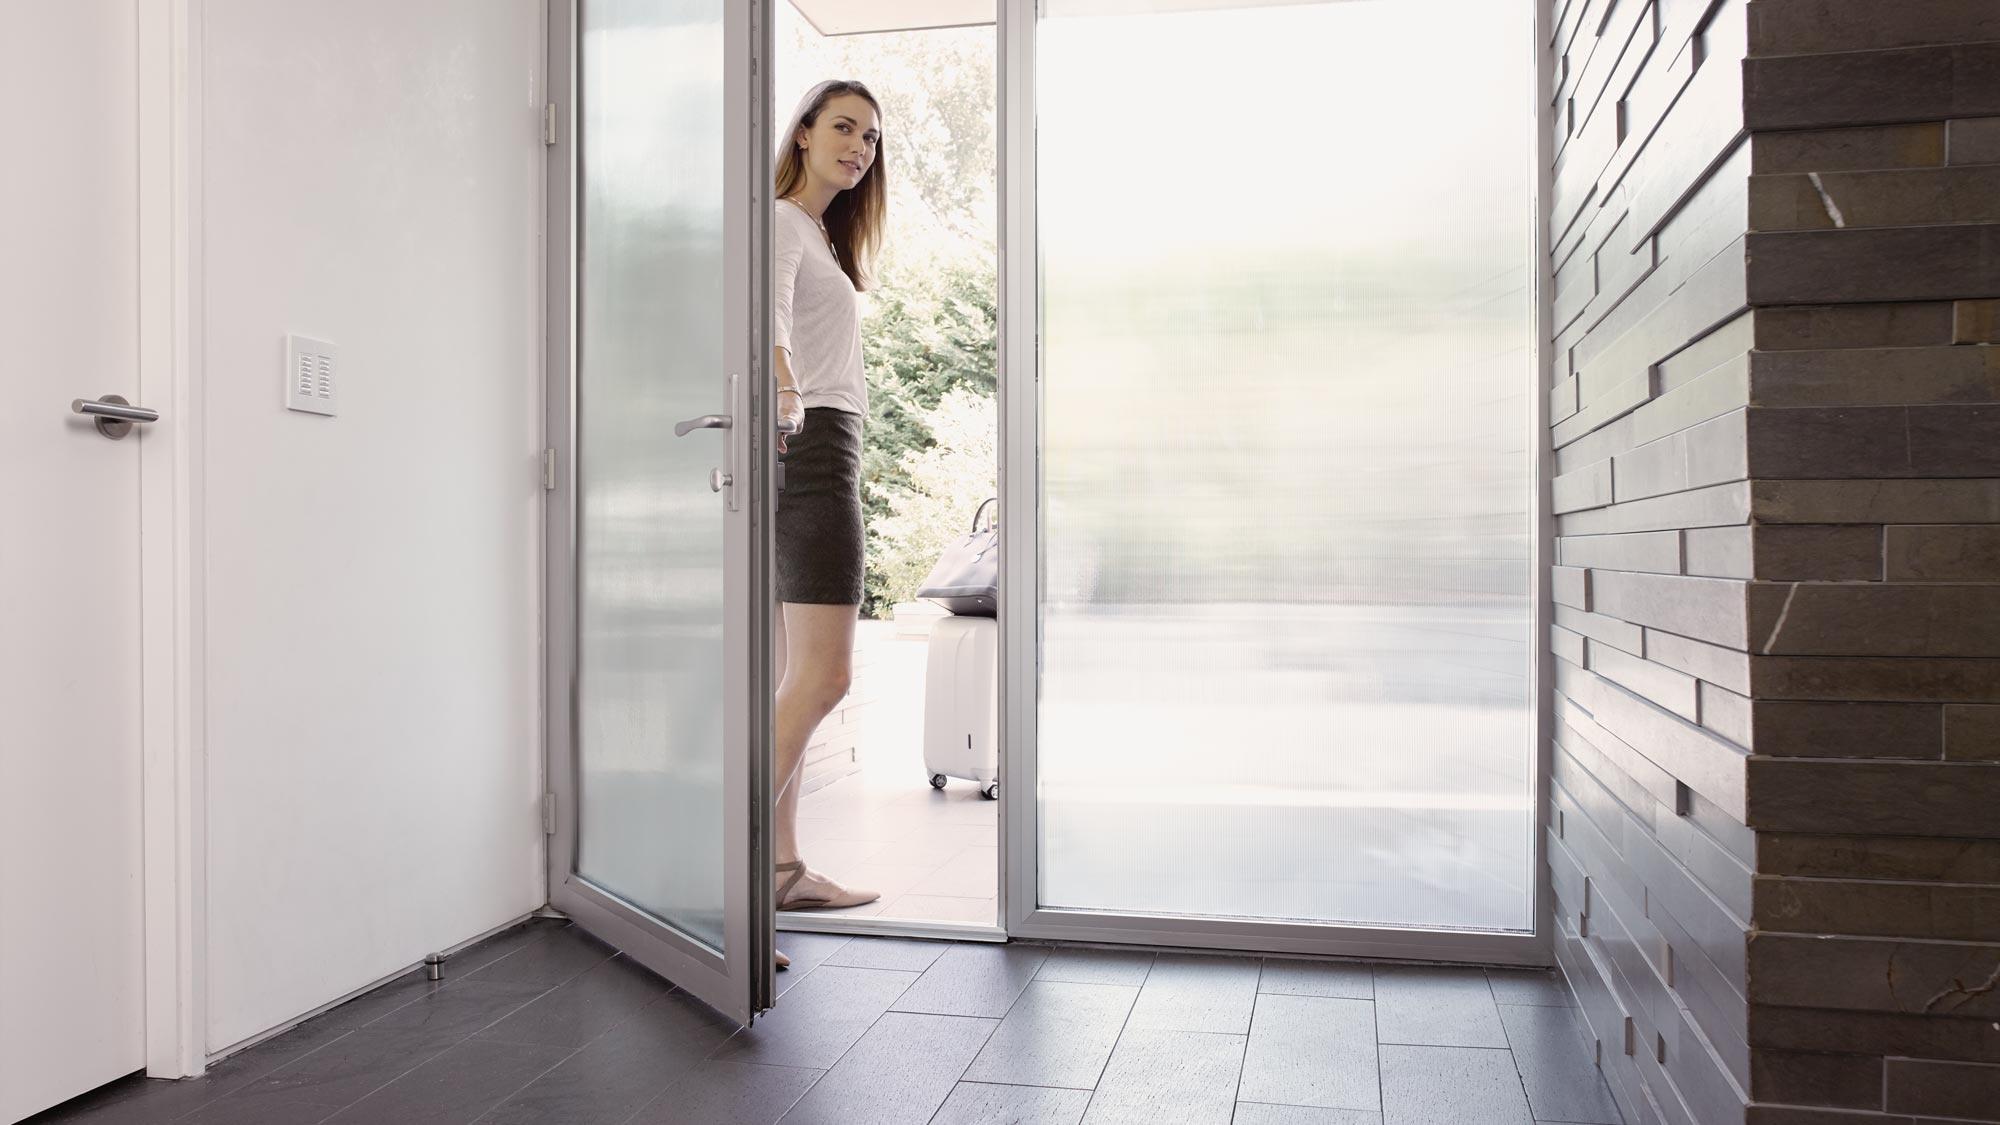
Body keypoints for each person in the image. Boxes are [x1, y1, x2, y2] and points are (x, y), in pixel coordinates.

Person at [769, 80, 886, 964]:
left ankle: (779, 869)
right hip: (808, 448)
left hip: (826, 443)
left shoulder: (820, 238)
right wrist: (786, 391)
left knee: (794, 680)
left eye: (870, 138)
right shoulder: (781, 222)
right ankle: (727, 868)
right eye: (843, 127)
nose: (858, 146)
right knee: (824, 677)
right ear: (803, 132)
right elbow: (766, 317)